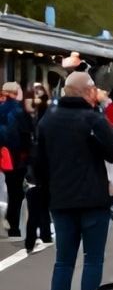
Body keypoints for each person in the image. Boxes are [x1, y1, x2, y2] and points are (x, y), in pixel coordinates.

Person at [32, 72, 113, 290]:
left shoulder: (48, 120)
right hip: (93, 200)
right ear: (88, 91)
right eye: (94, 89)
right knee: (92, 260)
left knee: (64, 261)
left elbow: (38, 164)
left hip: (61, 200)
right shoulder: (93, 120)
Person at [20, 92, 53, 253]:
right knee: (45, 206)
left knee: (33, 210)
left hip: (35, 176)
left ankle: (30, 241)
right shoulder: (49, 122)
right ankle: (46, 235)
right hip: (47, 176)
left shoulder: (34, 125)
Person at [0, 82, 27, 238]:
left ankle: (11, 221)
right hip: (16, 156)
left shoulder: (1, 109)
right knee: (16, 192)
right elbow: (22, 135)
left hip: (4, 154)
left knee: (10, 188)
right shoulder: (18, 111)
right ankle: (14, 226)